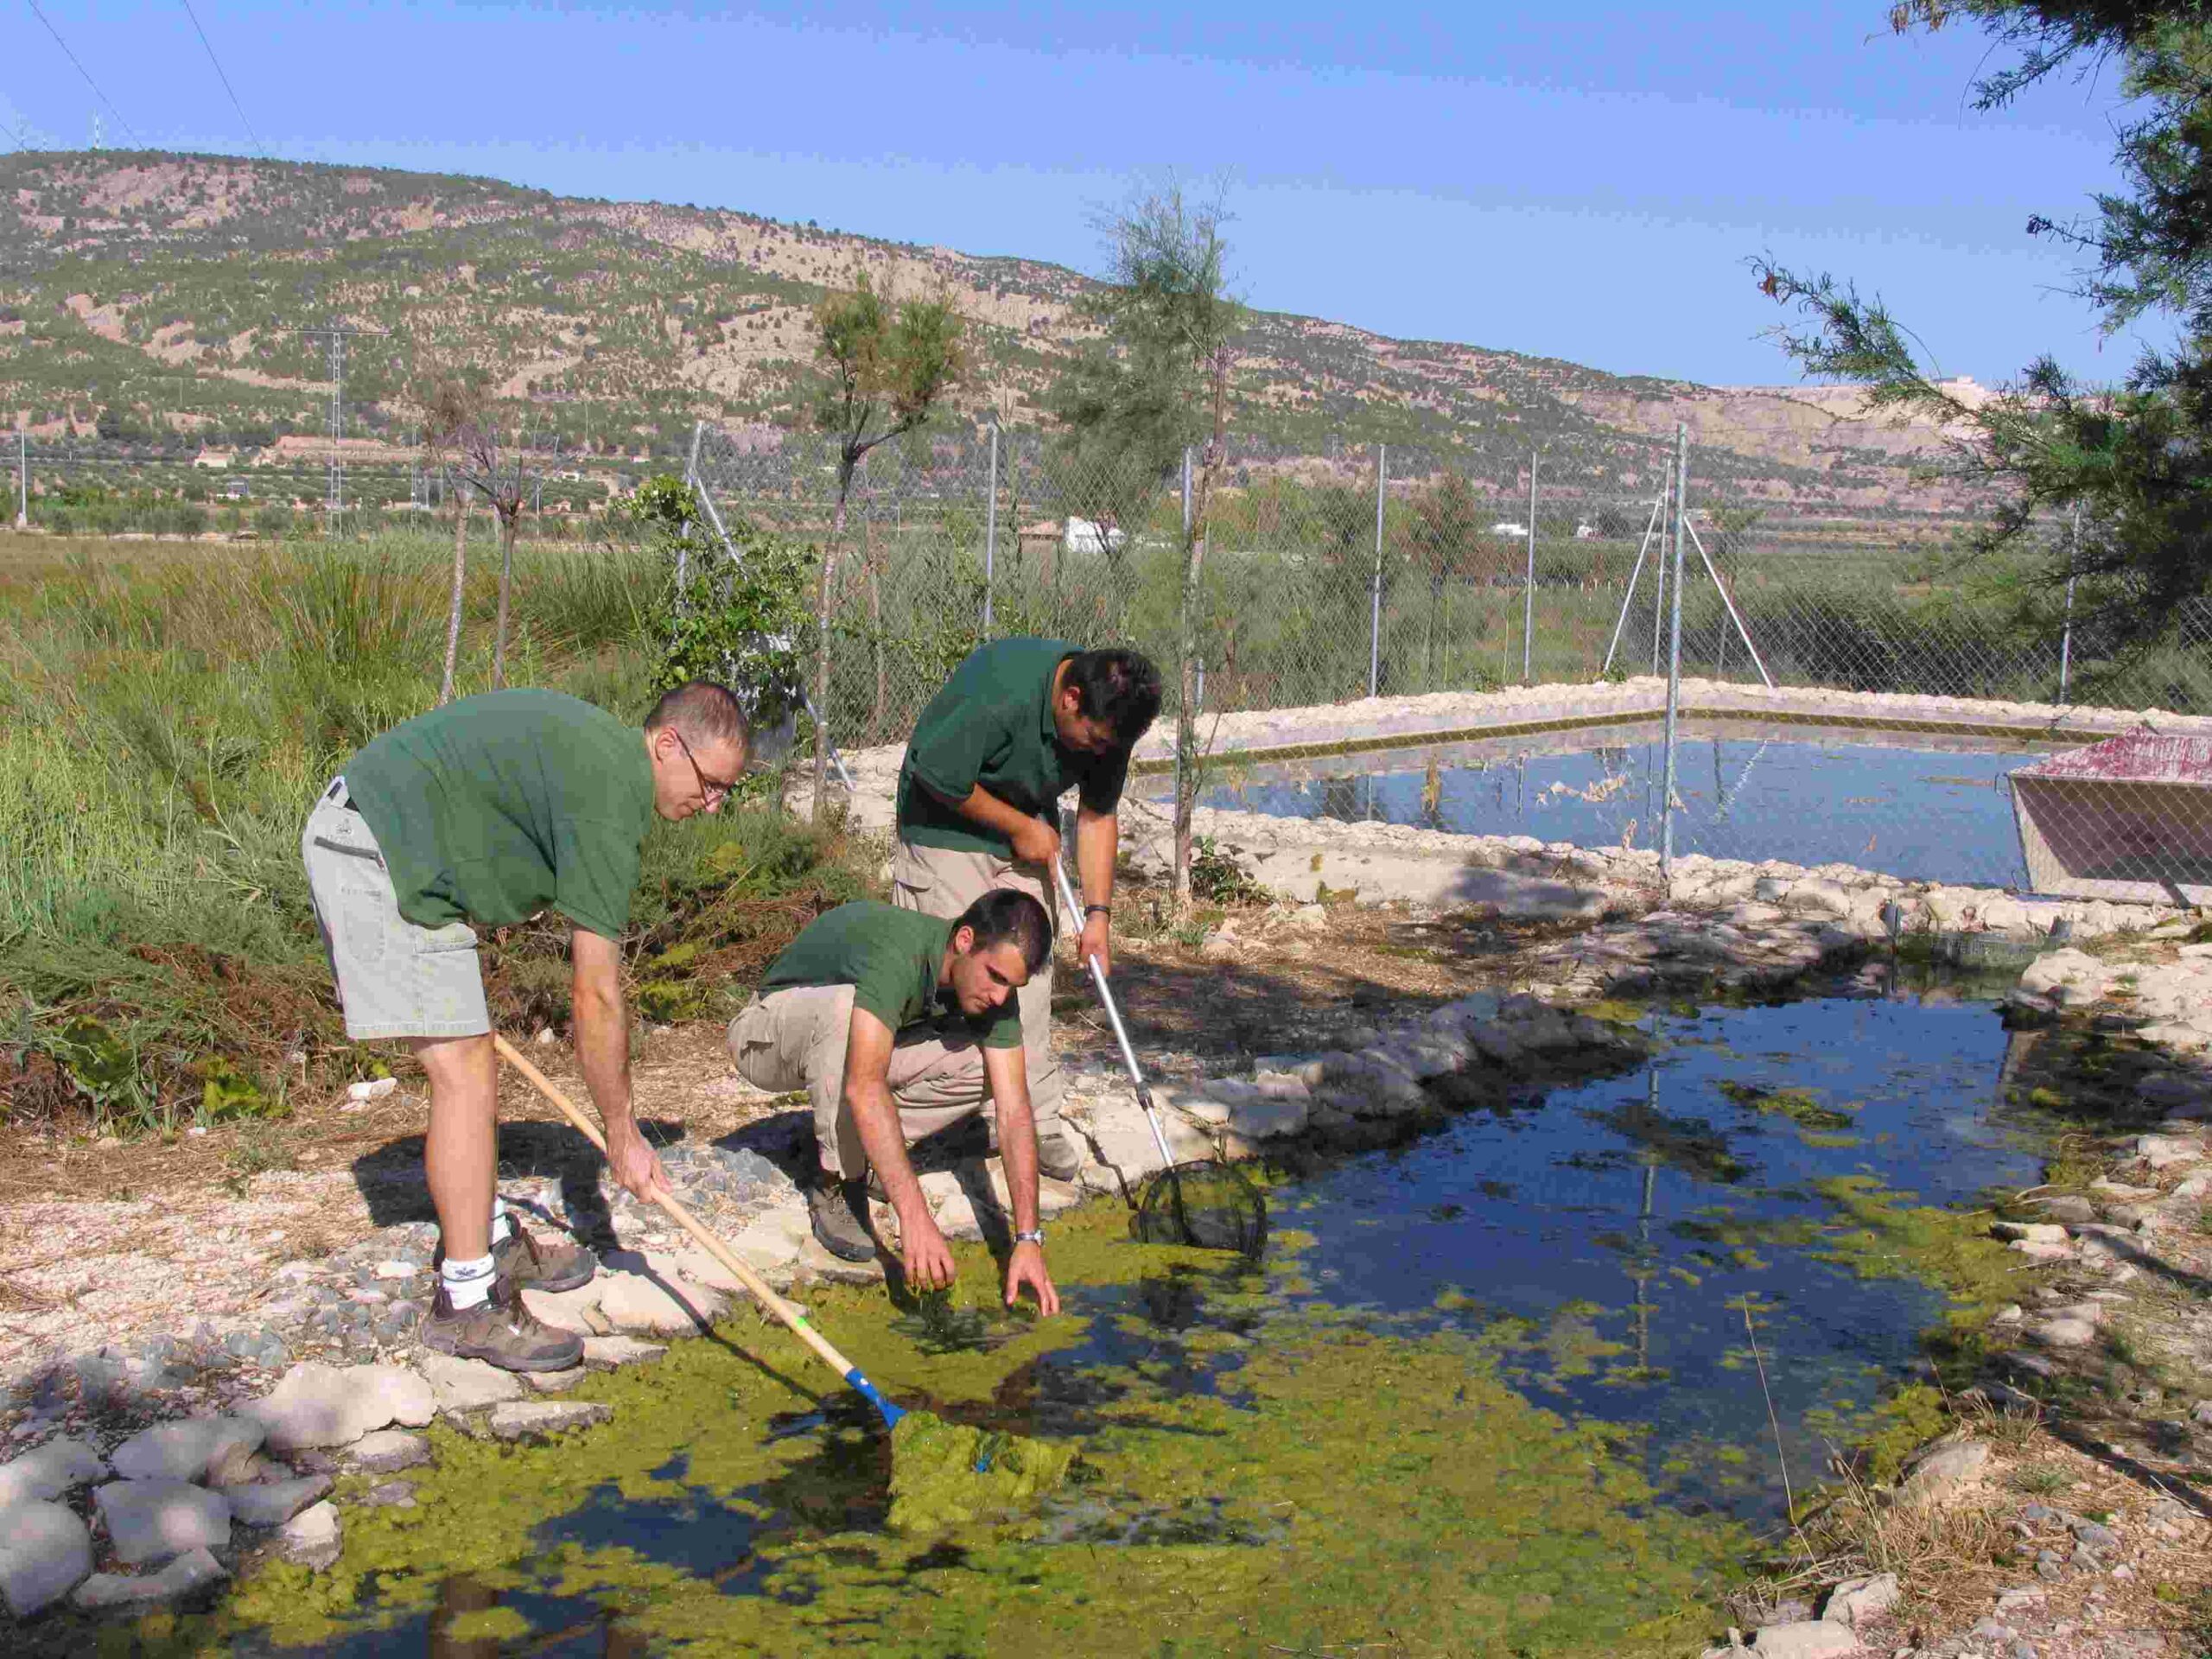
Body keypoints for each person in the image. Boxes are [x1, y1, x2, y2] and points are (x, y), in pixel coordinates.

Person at [301, 682, 750, 1372]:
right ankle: (467, 1301)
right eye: (711, 784)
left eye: (726, 793)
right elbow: (596, 996)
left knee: (472, 1056)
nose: (712, 804)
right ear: (667, 744)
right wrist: (621, 1136)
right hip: (374, 848)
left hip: (406, 850)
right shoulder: (611, 798)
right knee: (465, 1072)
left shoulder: (607, 765)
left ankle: (486, 1231)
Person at [891, 641, 1162, 1180]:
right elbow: (936, 775)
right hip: (943, 825)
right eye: (1094, 739)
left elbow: (1097, 814)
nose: (1100, 751)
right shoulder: (1000, 689)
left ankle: (1034, 1120)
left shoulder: (1113, 718)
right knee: (959, 977)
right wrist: (1018, 826)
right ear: (1070, 698)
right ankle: (901, 1124)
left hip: (1025, 833)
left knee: (1028, 976)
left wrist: (1099, 916)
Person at [728, 891, 1060, 1313]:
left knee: (985, 1068)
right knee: (844, 1012)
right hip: (765, 1035)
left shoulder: (995, 991)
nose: (999, 996)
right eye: (995, 976)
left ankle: (862, 1147)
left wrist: (1028, 1239)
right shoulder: (898, 952)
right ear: (964, 940)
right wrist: (914, 1216)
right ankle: (836, 1179)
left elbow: (1014, 1111)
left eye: (1012, 985)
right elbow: (865, 1085)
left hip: (848, 1041)